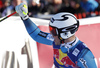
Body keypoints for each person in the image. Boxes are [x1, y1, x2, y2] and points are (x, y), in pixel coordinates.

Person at [15, 3, 97, 68]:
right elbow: (37, 35)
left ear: (65, 33)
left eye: (53, 31)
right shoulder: (57, 40)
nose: (51, 34)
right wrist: (25, 17)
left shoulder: (83, 54)